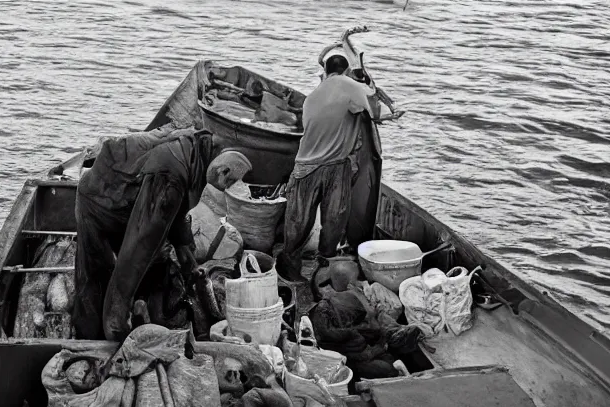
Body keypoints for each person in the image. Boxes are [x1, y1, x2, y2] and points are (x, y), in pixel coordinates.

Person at [72, 126, 252, 342]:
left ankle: (136, 314)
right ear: (223, 171)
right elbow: (138, 248)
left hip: (128, 202)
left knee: (156, 266)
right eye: (230, 182)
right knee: (97, 278)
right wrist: (117, 321)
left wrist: (184, 247)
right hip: (98, 204)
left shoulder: (196, 152)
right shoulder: (170, 175)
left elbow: (177, 209)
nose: (226, 188)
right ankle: (93, 341)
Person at [277, 54, 381, 282]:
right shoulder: (349, 85)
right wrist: (367, 82)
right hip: (334, 165)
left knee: (298, 221)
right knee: (335, 218)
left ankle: (290, 266)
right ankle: (325, 262)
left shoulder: (313, 96)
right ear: (345, 71)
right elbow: (376, 111)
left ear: (326, 72)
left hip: (306, 165)